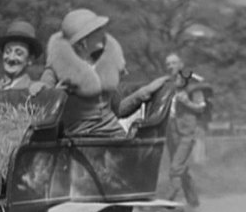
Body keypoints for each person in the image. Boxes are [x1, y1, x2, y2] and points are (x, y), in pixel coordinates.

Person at [40, 8, 165, 137]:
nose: (102, 33)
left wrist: (142, 94)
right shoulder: (55, 70)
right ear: (83, 41)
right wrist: (58, 95)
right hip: (76, 142)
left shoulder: (105, 67)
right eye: (96, 31)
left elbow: (118, 110)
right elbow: (40, 111)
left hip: (112, 137)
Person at [160, 52, 208, 212]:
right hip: (171, 130)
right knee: (182, 168)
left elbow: (201, 107)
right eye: (167, 64)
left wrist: (187, 102)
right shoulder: (168, 83)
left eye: (173, 63)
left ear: (180, 64)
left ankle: (170, 203)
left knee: (175, 168)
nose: (170, 67)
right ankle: (194, 202)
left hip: (187, 131)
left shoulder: (192, 82)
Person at [0, 20, 45, 95]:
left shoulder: (37, 90)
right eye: (7, 52)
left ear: (30, 59)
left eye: (19, 53)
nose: (11, 58)